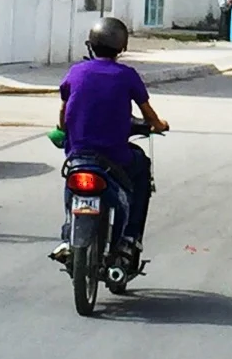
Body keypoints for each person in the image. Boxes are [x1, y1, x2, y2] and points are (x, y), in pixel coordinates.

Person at [58, 16, 167, 254]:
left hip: (79, 156)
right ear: (122, 48)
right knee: (142, 168)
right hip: (115, 158)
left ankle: (68, 235)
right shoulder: (127, 75)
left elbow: (64, 113)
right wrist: (159, 125)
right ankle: (130, 238)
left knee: (71, 181)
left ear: (90, 45)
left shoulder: (76, 72)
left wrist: (64, 130)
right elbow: (149, 115)